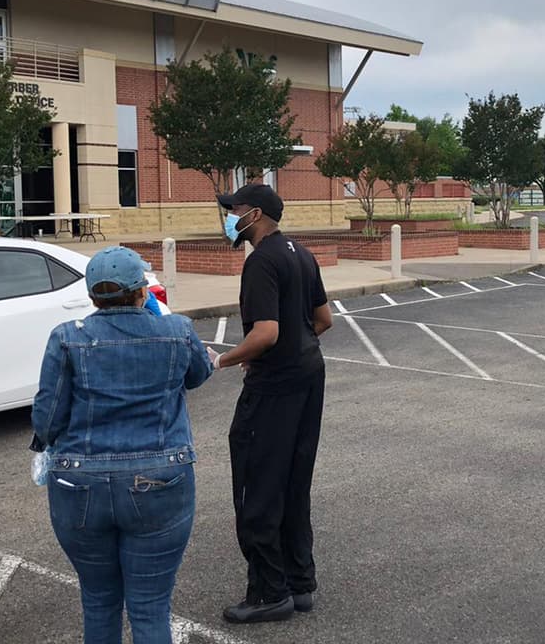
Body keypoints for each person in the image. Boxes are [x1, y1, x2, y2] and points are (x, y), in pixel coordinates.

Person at [32, 246, 212, 644]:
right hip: (160, 477)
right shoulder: (177, 331)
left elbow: (46, 420)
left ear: (94, 295)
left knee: (98, 600)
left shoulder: (67, 338)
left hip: (79, 484)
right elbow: (198, 375)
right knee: (150, 608)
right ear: (140, 292)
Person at [213, 184, 334, 624]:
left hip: (275, 389)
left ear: (256, 214)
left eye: (235, 209)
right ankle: (300, 583)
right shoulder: (301, 254)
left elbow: (266, 332)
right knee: (292, 483)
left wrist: (225, 359)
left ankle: (269, 593)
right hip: (308, 378)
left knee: (258, 486)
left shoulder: (261, 260)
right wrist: (288, 350)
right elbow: (323, 321)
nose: (229, 217)